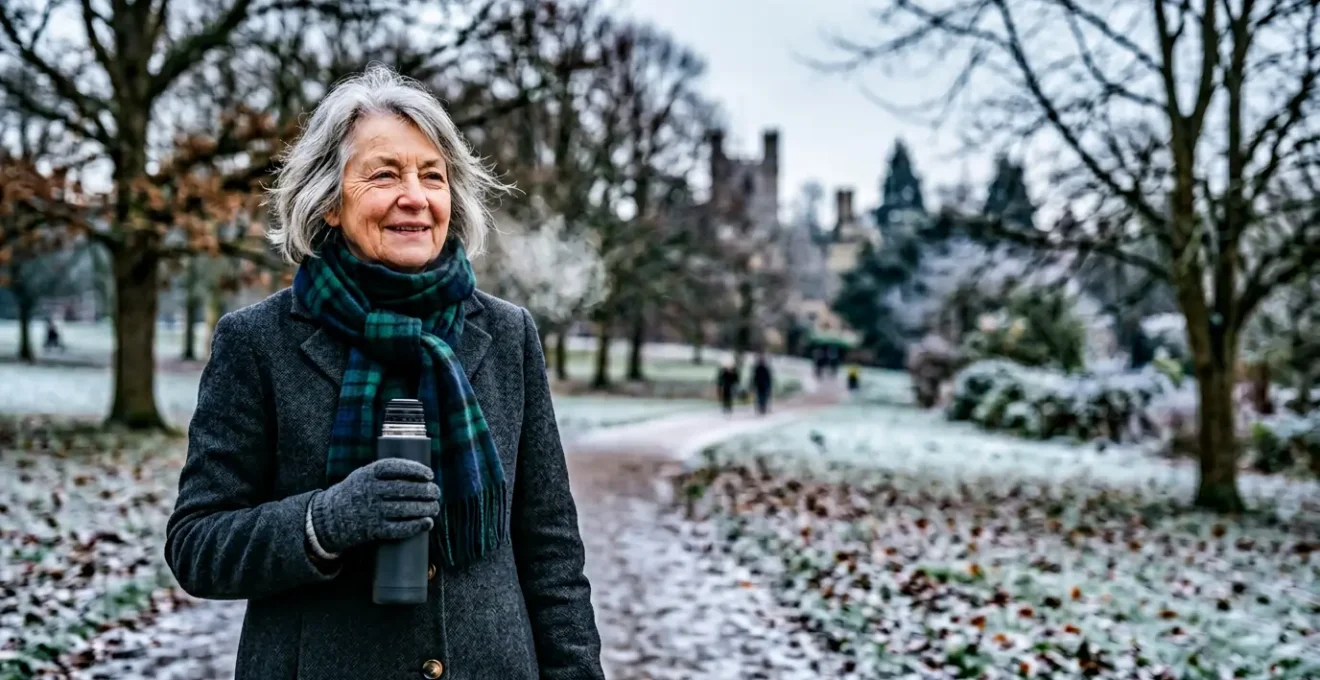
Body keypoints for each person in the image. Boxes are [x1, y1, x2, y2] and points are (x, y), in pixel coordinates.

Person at [164, 66, 603, 680]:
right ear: (330, 201)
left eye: (433, 176)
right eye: (384, 174)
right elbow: (197, 545)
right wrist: (323, 521)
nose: (416, 197)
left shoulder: (507, 336)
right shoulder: (258, 342)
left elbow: (551, 550)